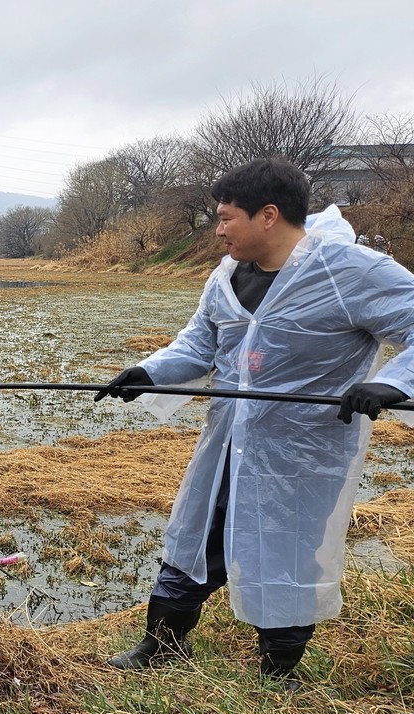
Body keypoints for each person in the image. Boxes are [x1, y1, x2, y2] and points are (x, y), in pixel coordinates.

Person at [95, 158, 414, 687]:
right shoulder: (225, 276)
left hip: (303, 452)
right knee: (196, 535)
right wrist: (149, 371)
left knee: (290, 548)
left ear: (268, 215)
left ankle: (279, 669)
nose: (216, 230)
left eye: (225, 218)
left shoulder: (350, 270)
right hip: (227, 442)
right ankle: (162, 644)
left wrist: (395, 383)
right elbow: (200, 343)